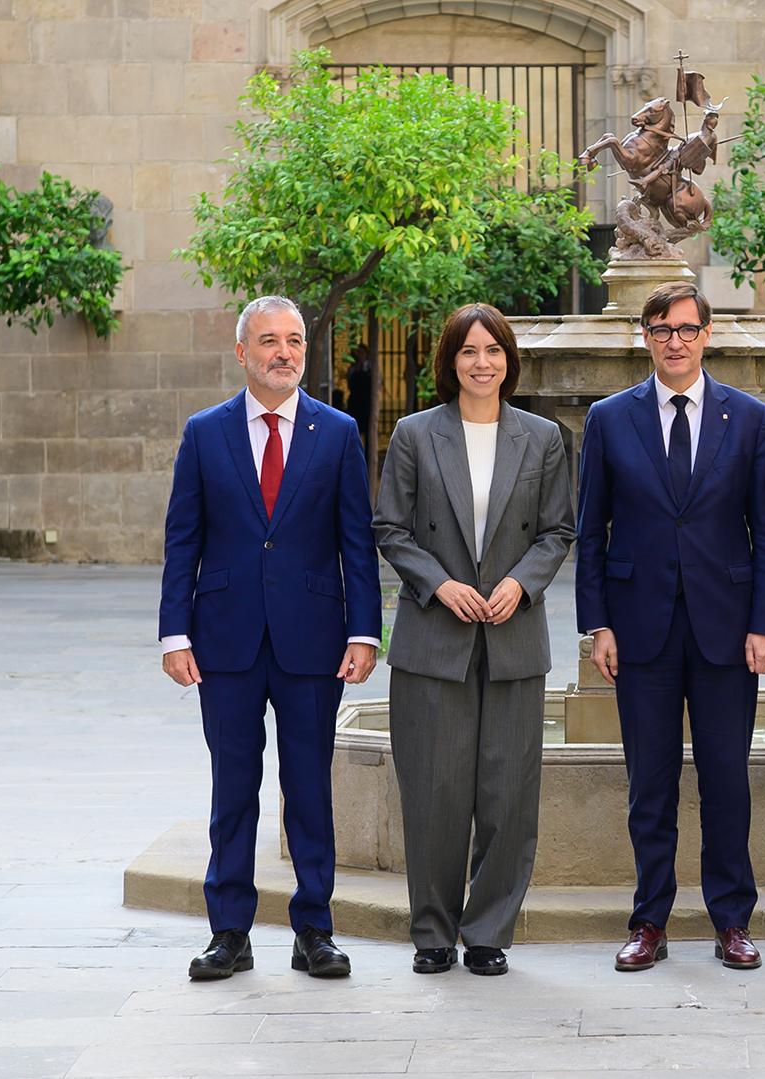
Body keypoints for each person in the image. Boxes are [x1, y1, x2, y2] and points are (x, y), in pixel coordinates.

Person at [159, 295, 380, 981]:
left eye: (294, 341)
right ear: (242, 352)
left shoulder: (337, 432)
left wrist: (364, 630)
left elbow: (356, 540)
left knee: (309, 786)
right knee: (233, 787)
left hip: (313, 640)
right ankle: (229, 932)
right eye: (268, 341)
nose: (284, 352)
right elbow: (182, 538)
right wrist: (173, 633)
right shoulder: (205, 433)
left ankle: (314, 929)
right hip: (224, 639)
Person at [575, 280, 765, 972]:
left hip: (728, 629)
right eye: (662, 329)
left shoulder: (748, 419)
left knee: (727, 779)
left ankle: (732, 920)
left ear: (707, 335)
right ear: (645, 337)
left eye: (687, 328)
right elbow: (591, 530)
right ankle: (649, 921)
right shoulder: (609, 418)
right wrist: (597, 624)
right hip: (640, 630)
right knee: (650, 785)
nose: (675, 341)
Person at [373, 303, 574, 977]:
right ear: (450, 361)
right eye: (468, 351)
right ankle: (432, 932)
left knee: (508, 795)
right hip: (435, 636)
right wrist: (440, 585)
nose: (482, 362)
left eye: (493, 350)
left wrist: (521, 582)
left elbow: (558, 530)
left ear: (508, 360)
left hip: (513, 634)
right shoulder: (415, 434)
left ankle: (488, 932)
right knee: (434, 793)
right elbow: (391, 527)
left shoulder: (542, 438)